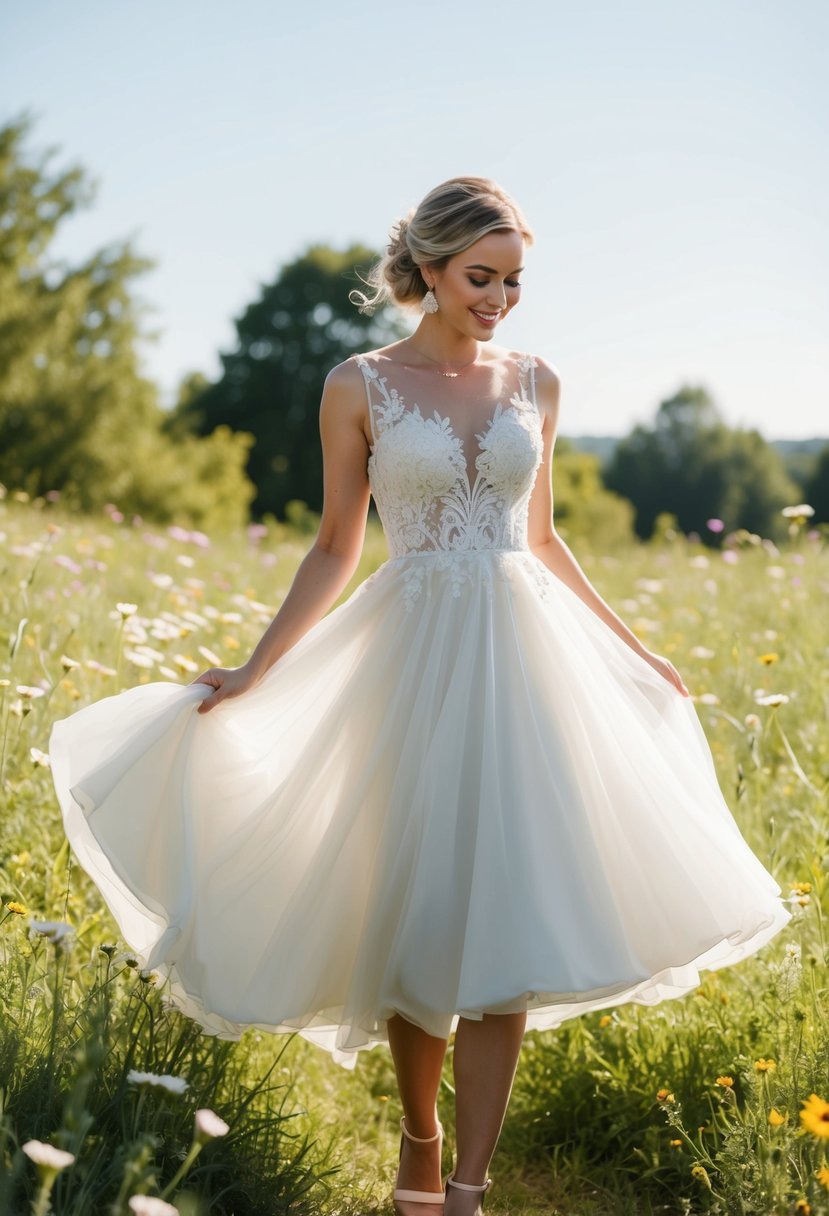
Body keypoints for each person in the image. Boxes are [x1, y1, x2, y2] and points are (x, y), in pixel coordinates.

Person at [50, 176, 791, 1216]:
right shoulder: (358, 384)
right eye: (479, 277)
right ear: (428, 271)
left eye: (513, 280)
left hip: (527, 662)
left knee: (512, 913)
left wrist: (636, 650)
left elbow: (541, 537)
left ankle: (471, 1187)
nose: (498, 298)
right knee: (420, 913)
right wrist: (256, 668)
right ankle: (417, 1135)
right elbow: (334, 547)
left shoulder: (537, 380)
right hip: (409, 657)